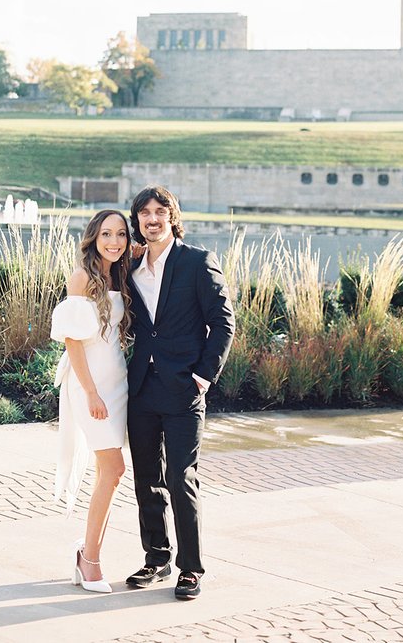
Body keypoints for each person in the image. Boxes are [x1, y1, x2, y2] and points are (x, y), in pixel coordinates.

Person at [126, 185, 235, 600]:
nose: (152, 219)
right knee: (146, 480)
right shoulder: (131, 269)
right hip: (141, 389)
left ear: (172, 216)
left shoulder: (196, 262)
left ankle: (190, 568)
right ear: (137, 220)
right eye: (144, 213)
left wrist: (204, 376)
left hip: (184, 388)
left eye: (160, 211)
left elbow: (224, 323)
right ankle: (157, 559)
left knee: (180, 477)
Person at [51, 209, 132, 594]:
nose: (114, 242)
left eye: (120, 235)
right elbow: (73, 341)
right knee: (113, 470)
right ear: (93, 238)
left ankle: (89, 552)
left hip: (117, 382)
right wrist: (91, 392)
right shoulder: (82, 277)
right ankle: (90, 560)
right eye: (106, 235)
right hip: (90, 385)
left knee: (110, 475)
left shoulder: (121, 273)